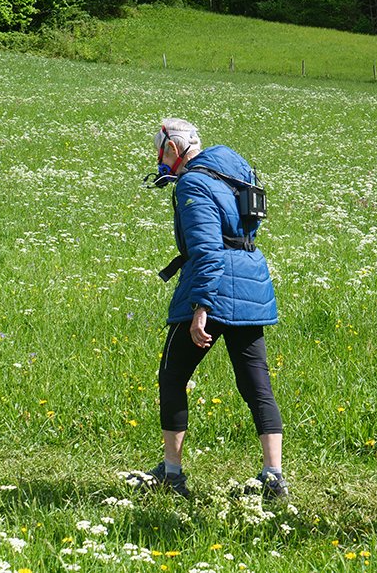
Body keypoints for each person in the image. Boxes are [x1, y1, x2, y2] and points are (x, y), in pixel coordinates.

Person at [127, 118, 287, 500]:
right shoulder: (235, 171)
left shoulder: (193, 183)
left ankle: (172, 473)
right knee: (256, 385)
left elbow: (206, 248)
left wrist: (201, 306)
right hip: (251, 283)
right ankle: (273, 477)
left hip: (211, 286)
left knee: (172, 376)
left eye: (159, 149)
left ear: (172, 149)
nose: (158, 157)